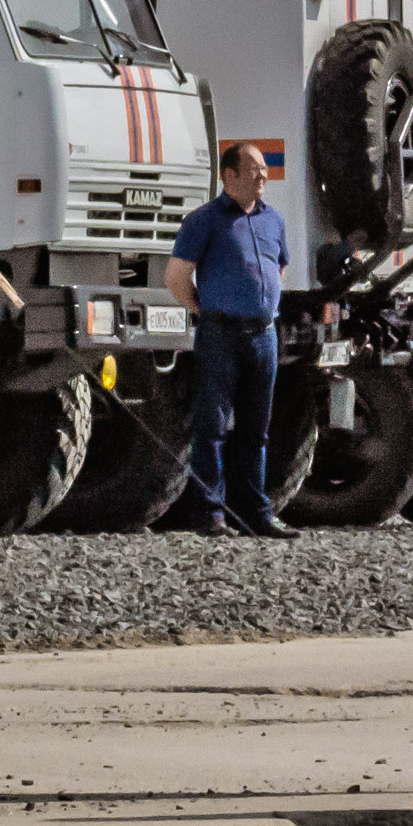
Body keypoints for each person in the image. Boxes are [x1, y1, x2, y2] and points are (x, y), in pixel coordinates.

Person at [165, 142, 299, 540]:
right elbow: (175, 278)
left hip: (264, 336)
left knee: (256, 429)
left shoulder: (273, 220)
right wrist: (205, 311)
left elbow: (281, 268)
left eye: (265, 169)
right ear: (230, 175)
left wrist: (265, 306)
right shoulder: (204, 221)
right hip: (220, 334)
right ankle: (210, 515)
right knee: (213, 426)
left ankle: (257, 513)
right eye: (255, 169)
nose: (263, 176)